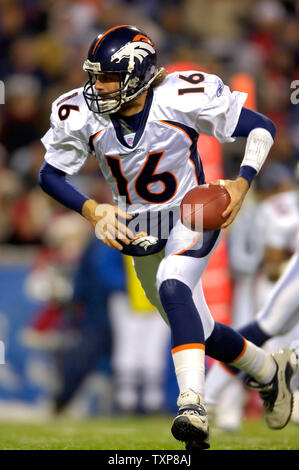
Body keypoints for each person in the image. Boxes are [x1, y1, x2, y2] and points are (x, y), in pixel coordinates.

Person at [39, 25, 297, 450]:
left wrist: (242, 181)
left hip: (191, 211)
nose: (96, 86)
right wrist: (92, 209)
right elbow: (49, 175)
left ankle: (192, 406)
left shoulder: (179, 95)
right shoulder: (82, 113)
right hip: (139, 228)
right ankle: (271, 372)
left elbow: (261, 126)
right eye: (94, 75)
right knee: (202, 330)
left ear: (138, 75)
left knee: (173, 285)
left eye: (107, 77)